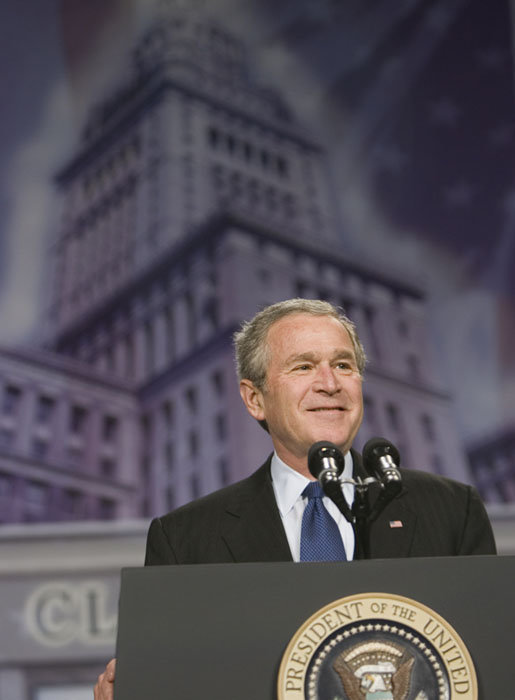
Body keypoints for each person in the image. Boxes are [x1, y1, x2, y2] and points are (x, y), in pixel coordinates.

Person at [94, 298, 496, 699]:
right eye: (304, 367)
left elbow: (490, 666)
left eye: (343, 365)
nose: (330, 383)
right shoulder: (184, 540)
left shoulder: (449, 509)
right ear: (255, 399)